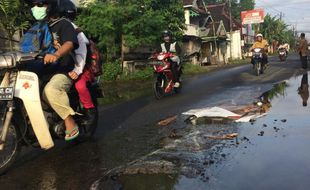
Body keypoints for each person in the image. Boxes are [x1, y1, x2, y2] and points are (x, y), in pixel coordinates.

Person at [31, 0, 80, 141]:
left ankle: (69, 121)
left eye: (40, 5)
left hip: (63, 69)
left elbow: (69, 43)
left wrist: (56, 54)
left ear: (50, 6)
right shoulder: (39, 28)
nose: (35, 8)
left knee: (50, 90)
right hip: (44, 70)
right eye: (34, 5)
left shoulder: (64, 24)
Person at [59, 0, 97, 126]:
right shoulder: (52, 28)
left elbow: (81, 53)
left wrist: (77, 70)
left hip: (81, 67)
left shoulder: (76, 32)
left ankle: (89, 110)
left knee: (80, 86)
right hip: (63, 66)